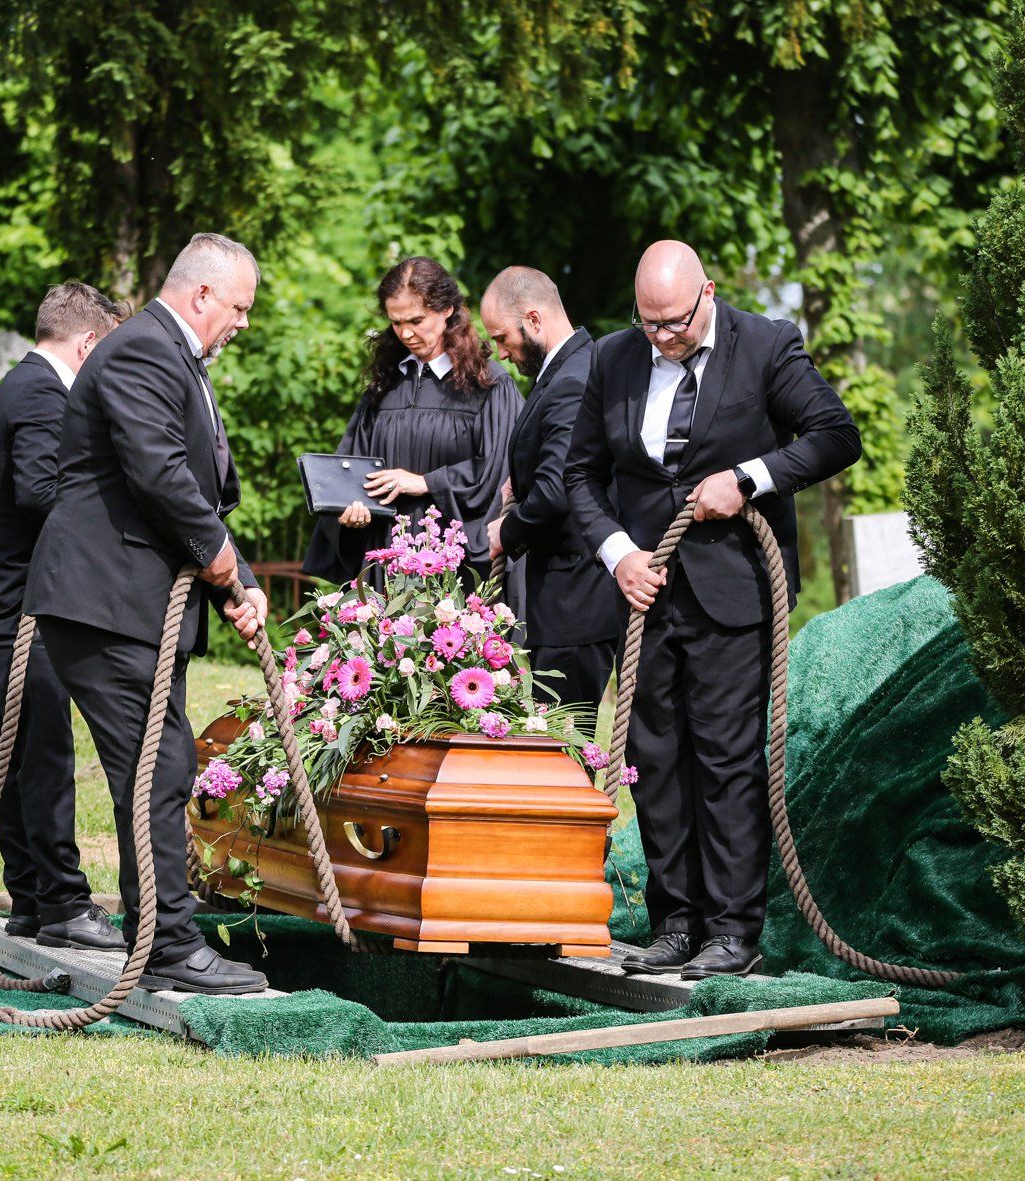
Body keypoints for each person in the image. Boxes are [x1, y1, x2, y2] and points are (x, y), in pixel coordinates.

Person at [565, 240, 860, 979]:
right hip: (646, 595)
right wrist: (618, 553)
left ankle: (732, 929)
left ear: (709, 293)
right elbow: (579, 475)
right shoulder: (613, 359)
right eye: (648, 323)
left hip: (733, 593)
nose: (661, 338)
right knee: (654, 760)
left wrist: (750, 478)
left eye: (673, 322)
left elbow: (834, 436)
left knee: (724, 760)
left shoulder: (766, 346)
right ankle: (675, 922)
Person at [24, 233, 270, 995]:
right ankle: (166, 945)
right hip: (105, 602)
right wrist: (222, 561)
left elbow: (199, 489)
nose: (242, 324)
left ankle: (159, 931)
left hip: (127, 600)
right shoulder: (143, 350)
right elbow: (160, 471)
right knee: (158, 765)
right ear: (201, 295)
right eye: (239, 308)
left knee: (159, 764)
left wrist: (242, 580)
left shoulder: (169, 354)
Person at [0, 281, 120, 949]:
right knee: (41, 750)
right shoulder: (43, 392)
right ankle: (64, 903)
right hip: (6, 601)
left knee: (16, 751)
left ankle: (32, 900)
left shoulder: (29, 383)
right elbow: (42, 490)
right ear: (88, 342)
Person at [302, 256, 520, 585]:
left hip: (454, 565)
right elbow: (353, 467)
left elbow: (501, 474)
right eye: (396, 322)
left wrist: (426, 483)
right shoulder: (384, 388)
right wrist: (349, 510)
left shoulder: (488, 385)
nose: (406, 333)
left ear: (447, 310)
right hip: (386, 560)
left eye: (417, 320)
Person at [478, 266, 617, 715]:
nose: (500, 353)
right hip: (564, 596)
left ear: (534, 320)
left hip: (575, 598)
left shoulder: (573, 379)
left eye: (502, 337)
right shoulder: (568, 368)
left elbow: (559, 489)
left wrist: (506, 531)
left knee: (565, 745)